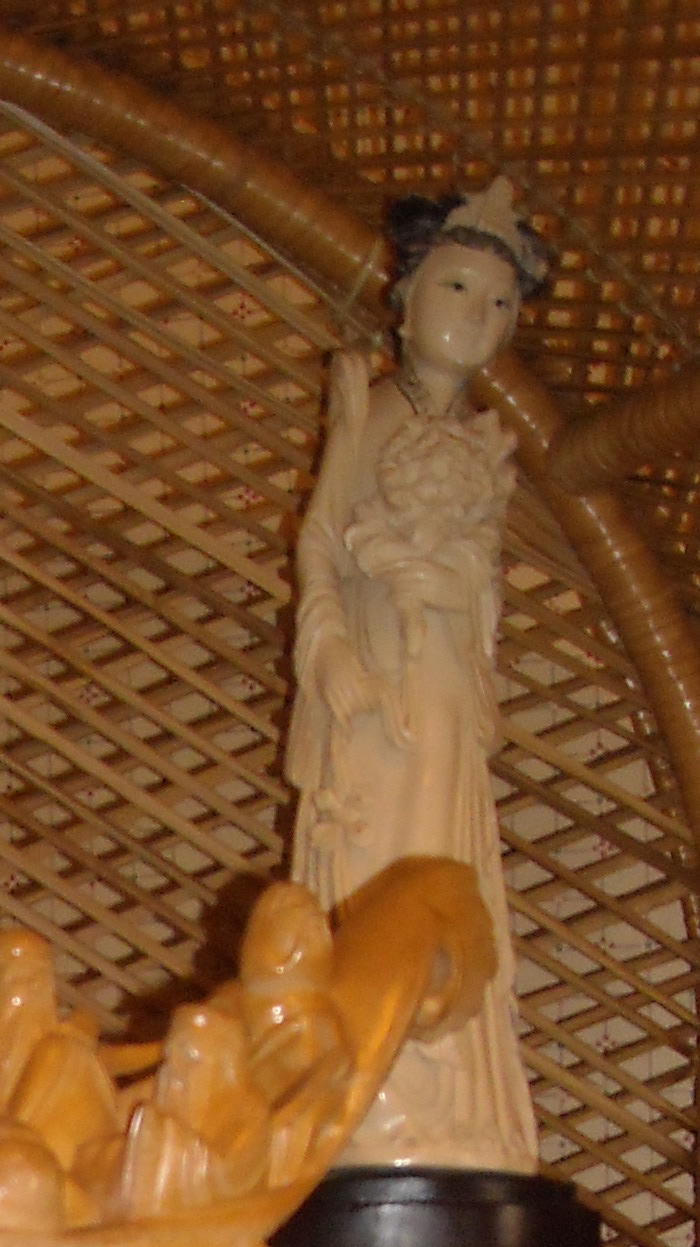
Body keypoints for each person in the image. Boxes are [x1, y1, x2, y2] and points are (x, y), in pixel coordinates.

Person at [286, 180, 552, 1176]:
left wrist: (464, 595)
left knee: (447, 859)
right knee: (376, 864)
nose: (477, 316)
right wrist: (330, 651)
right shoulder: (369, 408)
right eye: (457, 288)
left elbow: (485, 587)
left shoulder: (484, 445)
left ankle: (454, 1091)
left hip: (444, 689)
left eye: (499, 303)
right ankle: (368, 1081)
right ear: (405, 298)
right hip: (375, 687)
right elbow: (321, 541)